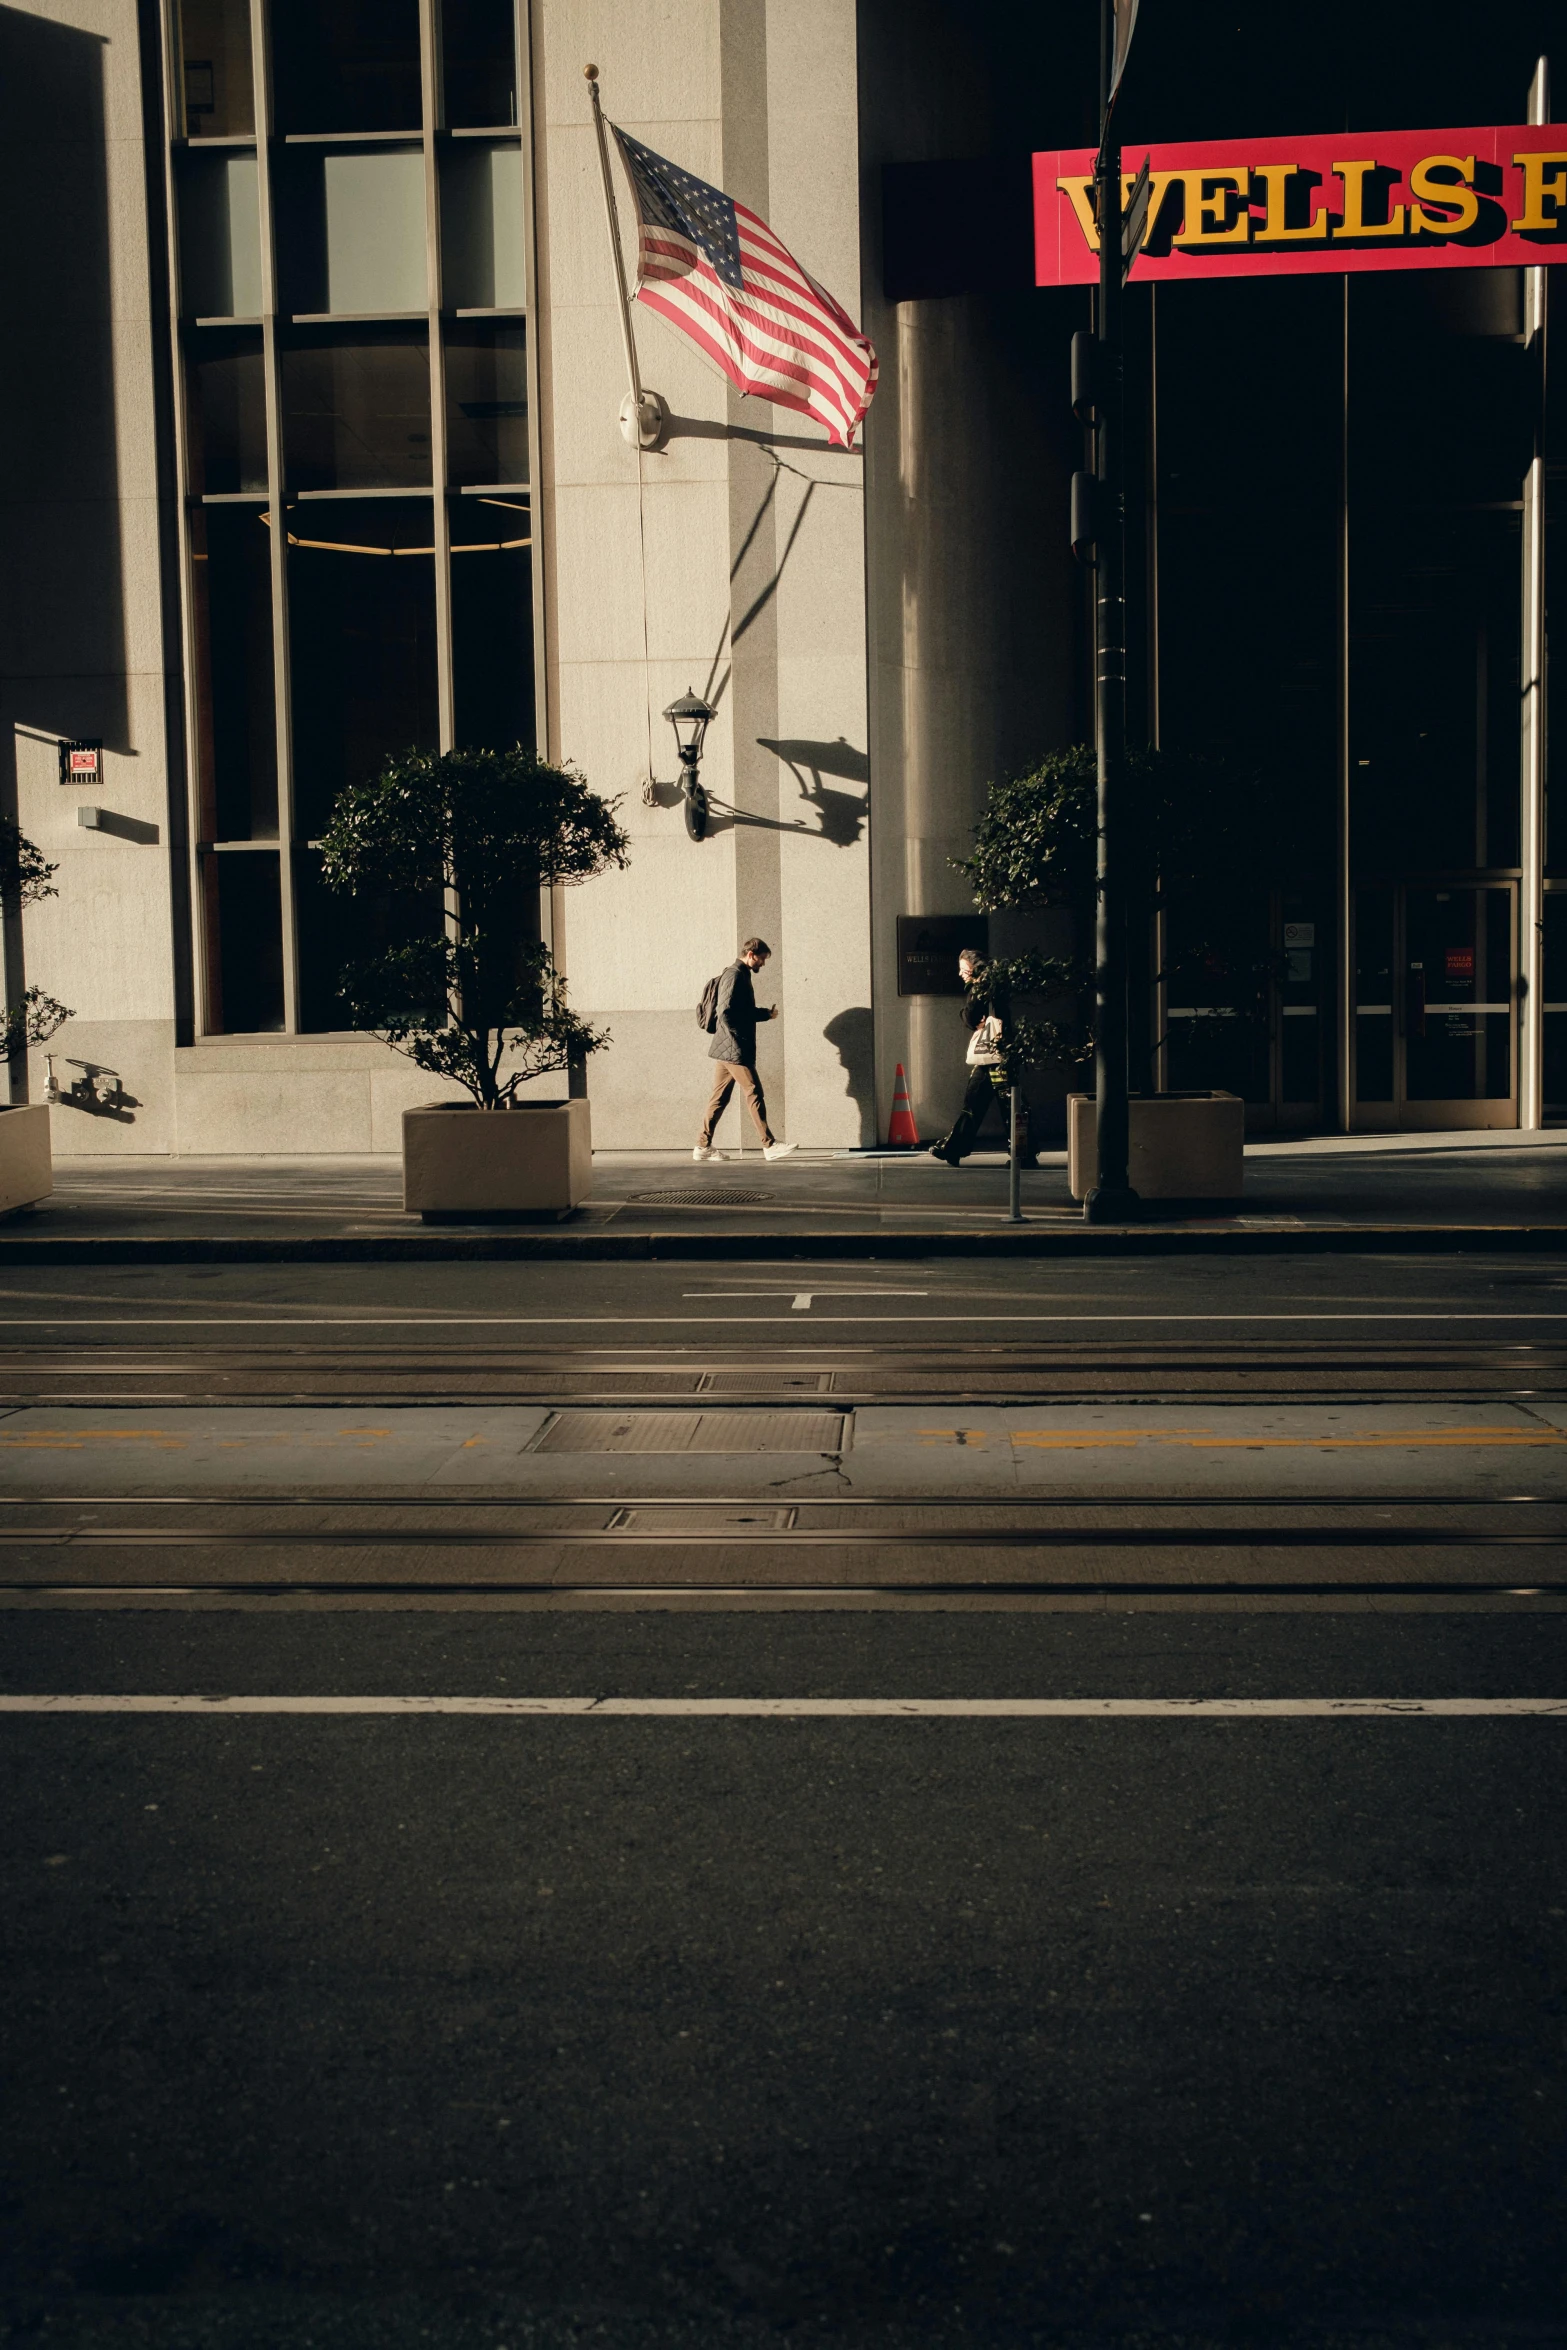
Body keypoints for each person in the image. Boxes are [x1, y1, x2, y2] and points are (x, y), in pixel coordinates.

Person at [695, 938, 797, 1162]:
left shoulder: (741, 974)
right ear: (751, 954)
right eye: (761, 958)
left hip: (726, 1048)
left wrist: (764, 1014)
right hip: (734, 1047)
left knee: (719, 1097)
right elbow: (725, 1012)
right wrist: (737, 1039)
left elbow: (741, 1010)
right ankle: (769, 1145)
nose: (763, 963)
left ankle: (703, 1146)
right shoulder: (734, 975)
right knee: (753, 1091)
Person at [928, 946, 1008, 1164]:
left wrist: (968, 1016)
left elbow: (971, 1016)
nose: (961, 974)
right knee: (1002, 1103)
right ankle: (954, 1148)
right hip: (1001, 1054)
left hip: (993, 1056)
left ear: (974, 968)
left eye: (964, 969)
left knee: (988, 1103)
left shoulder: (981, 985)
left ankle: (953, 1148)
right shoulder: (999, 983)